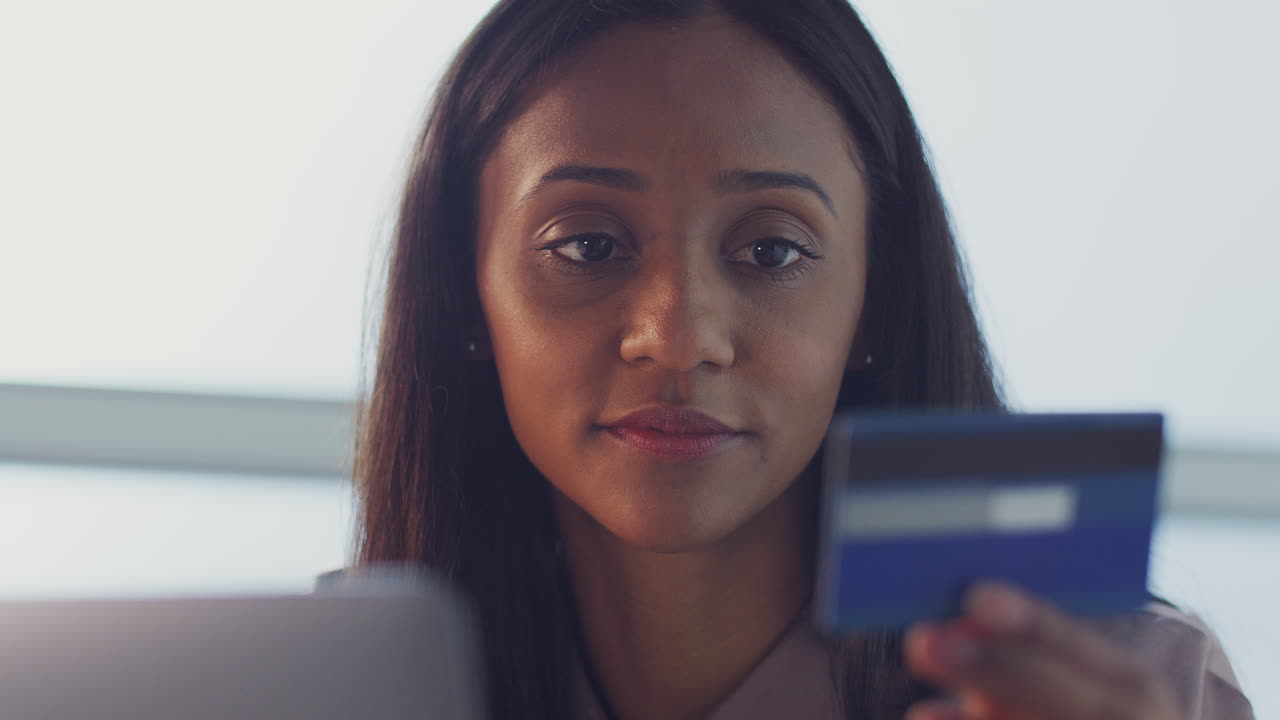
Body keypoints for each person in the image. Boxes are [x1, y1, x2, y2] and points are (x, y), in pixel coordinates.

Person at [349, 1, 1255, 718]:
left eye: (771, 251)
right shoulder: (326, 681)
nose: (680, 336)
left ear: (876, 300)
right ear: (464, 289)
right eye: (587, 246)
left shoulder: (1138, 690)